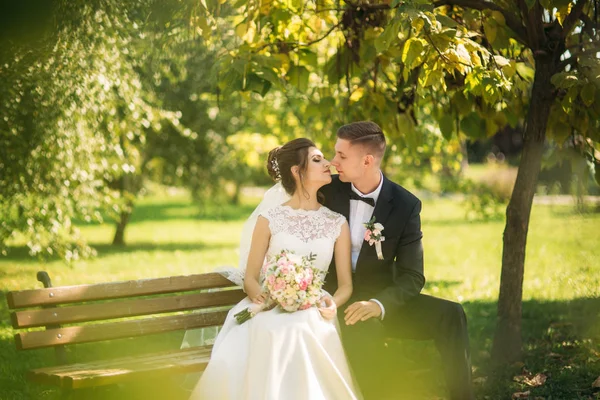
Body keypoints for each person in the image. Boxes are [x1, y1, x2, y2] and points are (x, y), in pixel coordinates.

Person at [189, 138, 361, 399]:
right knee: (272, 330)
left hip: (314, 309)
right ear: (296, 170)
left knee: (302, 328)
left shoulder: (337, 223)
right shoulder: (269, 219)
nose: (328, 164)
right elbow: (250, 277)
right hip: (268, 306)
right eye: (317, 159)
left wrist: (332, 304)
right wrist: (263, 296)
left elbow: (346, 285)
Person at [320, 121, 474, 400]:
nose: (333, 162)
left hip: (382, 297)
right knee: (364, 333)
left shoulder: (405, 204)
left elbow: (413, 275)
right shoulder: (326, 191)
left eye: (341, 156)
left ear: (367, 160)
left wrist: (379, 305)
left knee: (452, 315)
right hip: (337, 299)